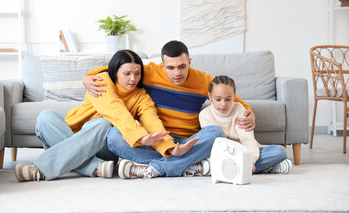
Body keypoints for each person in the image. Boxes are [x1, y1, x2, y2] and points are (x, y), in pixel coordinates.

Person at [83, 40, 256, 179]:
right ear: (162, 65)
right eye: (171, 68)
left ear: (189, 62)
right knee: (114, 136)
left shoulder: (203, 80)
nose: (177, 73)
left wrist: (248, 111)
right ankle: (192, 165)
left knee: (216, 132)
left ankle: (161, 167)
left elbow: (229, 96)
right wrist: (86, 78)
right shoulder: (147, 72)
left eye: (182, 66)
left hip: (190, 140)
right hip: (157, 139)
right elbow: (115, 69)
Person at [15, 49, 178, 181]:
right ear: (115, 73)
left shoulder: (142, 96)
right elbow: (116, 110)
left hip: (103, 147)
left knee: (102, 124)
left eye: (137, 73)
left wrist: (169, 148)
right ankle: (94, 167)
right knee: (45, 117)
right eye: (127, 73)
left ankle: (40, 169)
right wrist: (140, 136)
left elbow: (152, 121)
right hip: (72, 134)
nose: (133, 79)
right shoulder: (101, 81)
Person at [199, 75, 293, 174]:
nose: (223, 104)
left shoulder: (239, 109)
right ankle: (265, 167)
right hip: (223, 154)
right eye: (218, 99)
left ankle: (237, 168)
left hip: (244, 152)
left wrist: (250, 160)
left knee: (280, 151)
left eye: (228, 99)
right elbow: (215, 145)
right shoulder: (204, 115)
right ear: (210, 96)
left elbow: (247, 139)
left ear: (234, 96)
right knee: (215, 157)